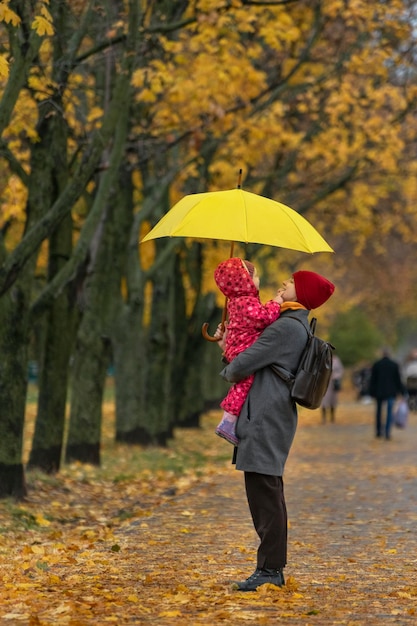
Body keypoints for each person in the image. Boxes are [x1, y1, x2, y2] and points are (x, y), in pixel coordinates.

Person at [217, 270, 335, 591]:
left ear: (302, 294)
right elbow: (246, 356)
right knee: (265, 490)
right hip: (267, 413)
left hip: (267, 416)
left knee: (265, 493)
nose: (283, 282)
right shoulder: (287, 324)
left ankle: (270, 570)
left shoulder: (286, 327)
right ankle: (270, 567)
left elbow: (242, 364)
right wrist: (229, 338)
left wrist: (231, 353)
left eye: (291, 281)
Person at [214, 258, 283, 445]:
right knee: (244, 383)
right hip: (243, 349)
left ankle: (230, 420)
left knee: (243, 383)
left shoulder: (236, 302)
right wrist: (276, 303)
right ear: (245, 281)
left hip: (237, 346)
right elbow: (264, 318)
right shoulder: (246, 302)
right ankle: (228, 421)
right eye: (256, 276)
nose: (258, 280)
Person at [369, 348, 406, 440]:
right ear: (389, 354)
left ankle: (378, 431)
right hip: (391, 392)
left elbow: (373, 380)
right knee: (389, 412)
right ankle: (387, 432)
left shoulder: (377, 364)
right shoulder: (394, 365)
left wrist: (371, 392)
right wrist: (402, 391)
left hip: (379, 392)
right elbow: (398, 380)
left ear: (382, 354)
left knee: (379, 411)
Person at [320, 353, 344, 423]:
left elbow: (340, 370)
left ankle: (332, 417)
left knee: (333, 401)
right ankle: (323, 418)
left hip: (333, 383)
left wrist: (335, 376)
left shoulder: (336, 360)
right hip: (324, 383)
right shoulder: (323, 359)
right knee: (323, 401)